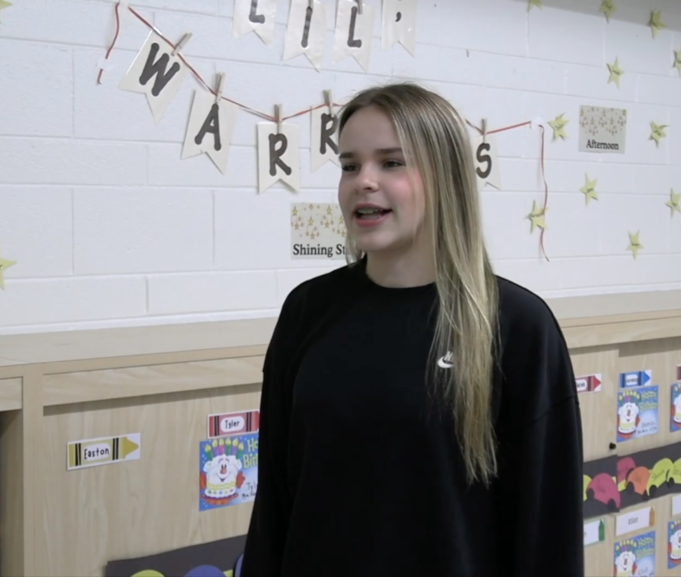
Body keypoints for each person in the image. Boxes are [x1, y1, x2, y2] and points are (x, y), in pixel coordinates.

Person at [240, 82, 585, 576]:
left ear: (445, 178)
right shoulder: (307, 310)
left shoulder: (516, 325)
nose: (364, 181)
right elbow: (275, 499)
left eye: (392, 162)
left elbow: (547, 534)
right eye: (350, 165)